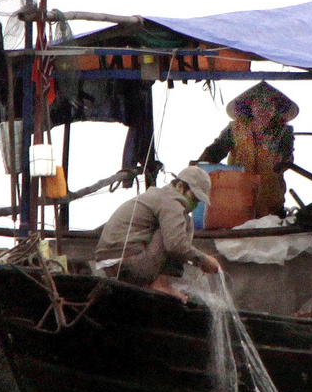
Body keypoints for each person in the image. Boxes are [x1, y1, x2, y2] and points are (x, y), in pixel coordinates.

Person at [95, 167, 221, 298]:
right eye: (194, 198)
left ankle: (156, 282)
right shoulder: (172, 203)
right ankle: (162, 283)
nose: (195, 204)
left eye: (198, 201)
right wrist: (202, 259)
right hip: (125, 263)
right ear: (180, 186)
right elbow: (175, 245)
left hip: (114, 262)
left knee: (177, 228)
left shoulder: (159, 196)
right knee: (181, 228)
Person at [198, 82, 298, 218]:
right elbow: (214, 152)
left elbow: (287, 158)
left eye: (269, 104)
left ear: (276, 109)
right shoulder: (234, 130)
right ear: (250, 106)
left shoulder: (284, 132)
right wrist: (198, 168)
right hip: (237, 202)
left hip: (271, 205)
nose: (263, 108)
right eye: (259, 103)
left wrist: (282, 159)